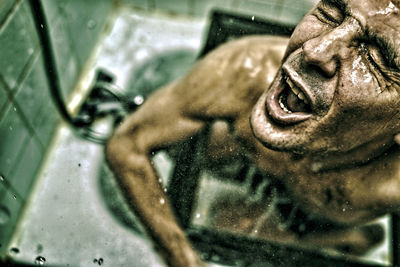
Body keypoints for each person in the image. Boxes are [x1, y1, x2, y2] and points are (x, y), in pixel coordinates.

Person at [105, 0, 400, 266]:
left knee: (360, 241)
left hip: (324, 222)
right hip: (260, 173)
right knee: (218, 177)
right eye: (332, 11)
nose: (314, 50)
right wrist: (183, 259)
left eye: (377, 57)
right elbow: (127, 145)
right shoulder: (246, 71)